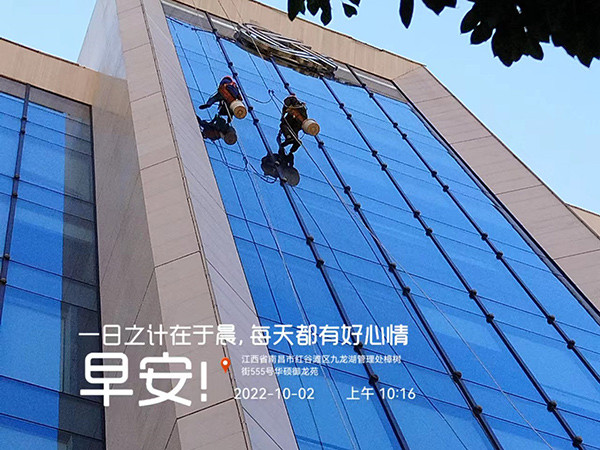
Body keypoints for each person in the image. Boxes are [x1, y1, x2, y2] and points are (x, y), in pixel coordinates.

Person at [277, 94, 308, 167]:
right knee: (284, 126)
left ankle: (292, 145)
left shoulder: (300, 108)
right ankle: (289, 139)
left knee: (294, 132)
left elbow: (304, 120)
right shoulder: (287, 105)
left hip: (297, 123)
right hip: (290, 122)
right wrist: (283, 117)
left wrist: (297, 116)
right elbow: (283, 113)